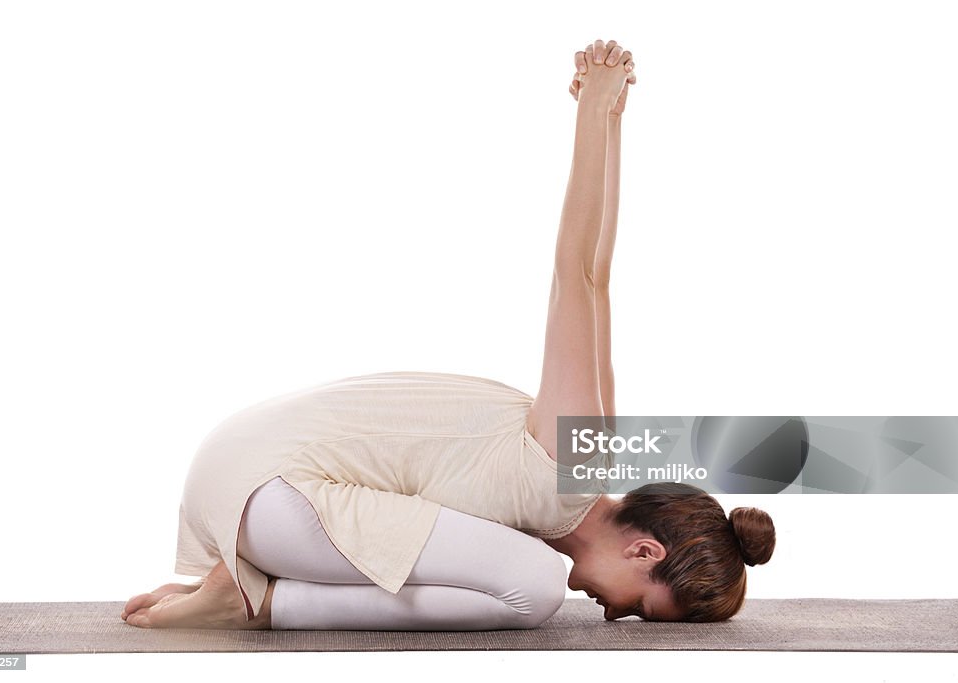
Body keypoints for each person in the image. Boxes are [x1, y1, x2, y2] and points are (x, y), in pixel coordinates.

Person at [121, 38, 775, 631]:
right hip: (271, 493)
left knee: (524, 567)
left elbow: (597, 276)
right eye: (635, 604)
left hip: (253, 483)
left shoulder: (571, 472)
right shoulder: (579, 468)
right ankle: (255, 600)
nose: (612, 612)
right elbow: (580, 278)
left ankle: (240, 581)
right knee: (533, 587)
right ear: (645, 550)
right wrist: (595, 110)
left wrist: (610, 116)